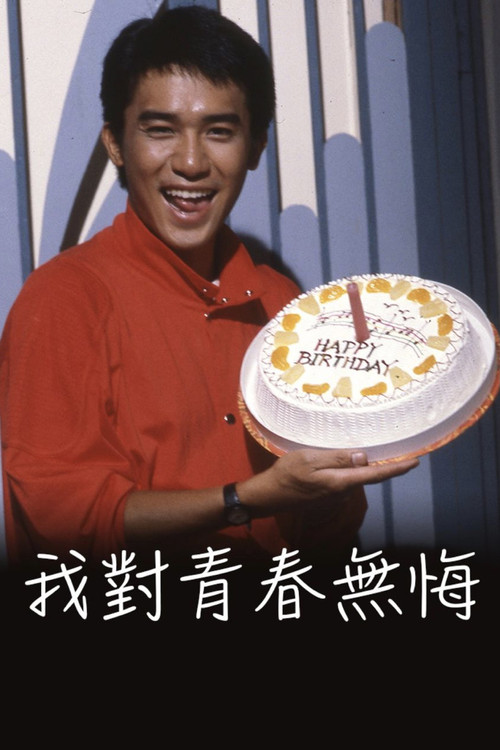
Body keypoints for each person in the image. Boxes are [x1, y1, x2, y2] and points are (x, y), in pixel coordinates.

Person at [0, 6, 418, 574]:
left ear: (256, 147)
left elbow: (328, 537)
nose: (191, 162)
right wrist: (248, 499)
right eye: (161, 130)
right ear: (115, 144)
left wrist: (340, 479)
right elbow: (64, 523)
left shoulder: (283, 305)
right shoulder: (65, 299)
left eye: (219, 131)